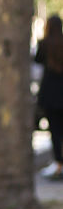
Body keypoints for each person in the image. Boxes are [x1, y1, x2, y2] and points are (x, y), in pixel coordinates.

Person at [35, 14, 63, 179]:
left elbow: (37, 60)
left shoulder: (44, 44)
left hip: (50, 95)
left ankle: (59, 163)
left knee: (55, 131)